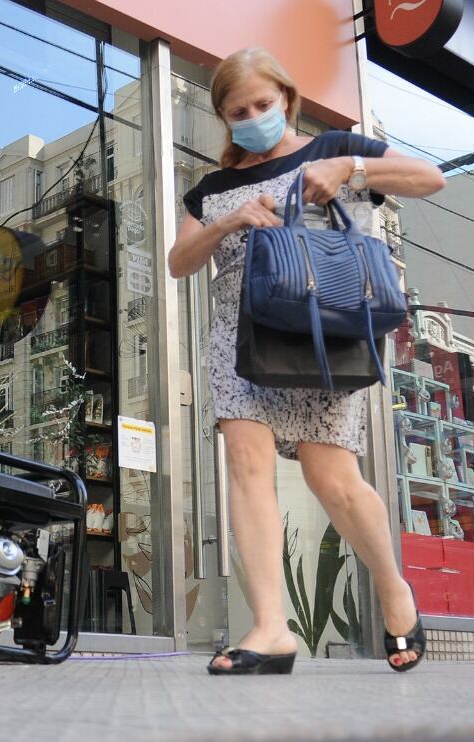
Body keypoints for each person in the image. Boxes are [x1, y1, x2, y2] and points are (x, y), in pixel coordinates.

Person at [167, 48, 446, 675]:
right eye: (239, 111)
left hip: (324, 328)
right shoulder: (212, 190)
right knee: (245, 462)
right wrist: (228, 221)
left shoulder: (336, 149)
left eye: (264, 105)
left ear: (287, 100)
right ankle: (271, 628)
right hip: (242, 338)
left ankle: (394, 590)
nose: (254, 117)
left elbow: (432, 179)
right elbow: (178, 262)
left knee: (333, 478)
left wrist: (348, 167)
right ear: (225, 119)